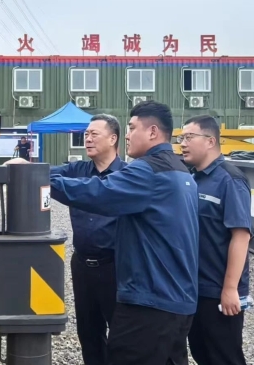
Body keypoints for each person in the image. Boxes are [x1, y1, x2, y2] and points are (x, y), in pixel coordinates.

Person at [47, 101, 199, 365]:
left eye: (131, 128)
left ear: (152, 132)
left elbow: (98, 193)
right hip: (178, 300)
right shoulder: (180, 171)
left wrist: (37, 179)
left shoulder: (147, 170)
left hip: (150, 302)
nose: (127, 135)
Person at [6, 114, 124, 365]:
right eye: (86, 134)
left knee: (121, 335)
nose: (87, 139)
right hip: (82, 265)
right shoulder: (76, 170)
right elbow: (41, 174)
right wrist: (23, 165)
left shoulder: (127, 175)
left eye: (94, 134)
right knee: (88, 333)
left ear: (113, 138)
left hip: (115, 268)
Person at [178, 115, 252, 365]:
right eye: (181, 138)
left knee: (225, 356)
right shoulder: (192, 178)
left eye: (189, 137)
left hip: (218, 291)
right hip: (195, 288)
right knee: (201, 353)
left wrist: (230, 289)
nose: (183, 143)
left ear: (210, 141)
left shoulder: (229, 179)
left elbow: (241, 236)